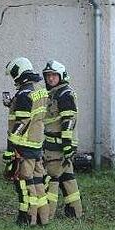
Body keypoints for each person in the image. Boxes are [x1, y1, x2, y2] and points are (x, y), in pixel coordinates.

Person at [3, 57, 51, 226]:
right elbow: (34, 115)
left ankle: (26, 219)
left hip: (23, 146)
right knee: (38, 183)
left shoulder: (24, 94)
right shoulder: (40, 91)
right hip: (36, 143)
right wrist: (12, 104)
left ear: (19, 73)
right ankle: (42, 219)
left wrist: (10, 148)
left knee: (24, 183)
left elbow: (21, 123)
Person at [41, 60, 82, 219]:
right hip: (61, 146)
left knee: (51, 179)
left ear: (61, 76)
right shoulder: (56, 92)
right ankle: (75, 211)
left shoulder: (64, 94)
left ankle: (46, 215)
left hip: (57, 146)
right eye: (48, 75)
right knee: (68, 179)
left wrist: (66, 145)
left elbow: (68, 121)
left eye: (54, 75)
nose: (50, 79)